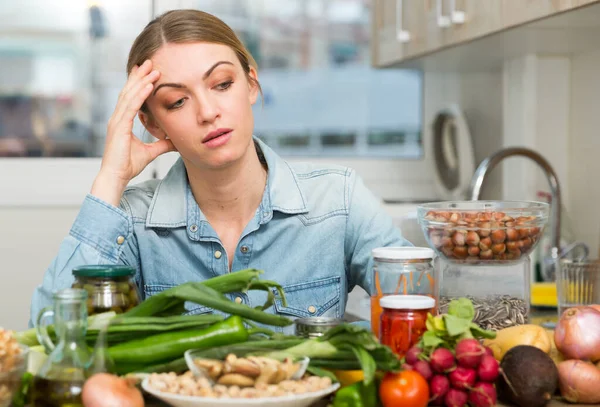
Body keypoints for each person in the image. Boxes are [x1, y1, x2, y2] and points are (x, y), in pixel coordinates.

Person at [29, 9, 412, 332]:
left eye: (222, 84)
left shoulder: (338, 199)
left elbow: (421, 309)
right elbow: (49, 335)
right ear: (154, 125)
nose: (207, 112)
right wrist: (110, 179)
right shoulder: (131, 223)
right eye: (177, 101)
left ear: (251, 84)